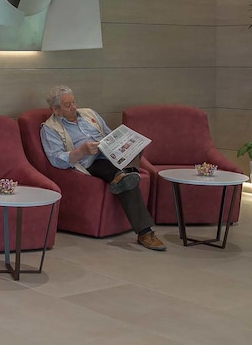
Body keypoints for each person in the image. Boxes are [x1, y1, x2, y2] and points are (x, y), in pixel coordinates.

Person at [40, 85, 166, 251]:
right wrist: (81, 151)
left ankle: (123, 175)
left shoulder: (89, 113)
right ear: (56, 109)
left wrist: (121, 142)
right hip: (89, 163)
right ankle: (145, 232)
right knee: (124, 177)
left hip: (110, 154)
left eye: (74, 102)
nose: (74, 107)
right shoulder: (49, 128)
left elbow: (108, 133)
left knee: (136, 149)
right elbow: (55, 159)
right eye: (68, 105)